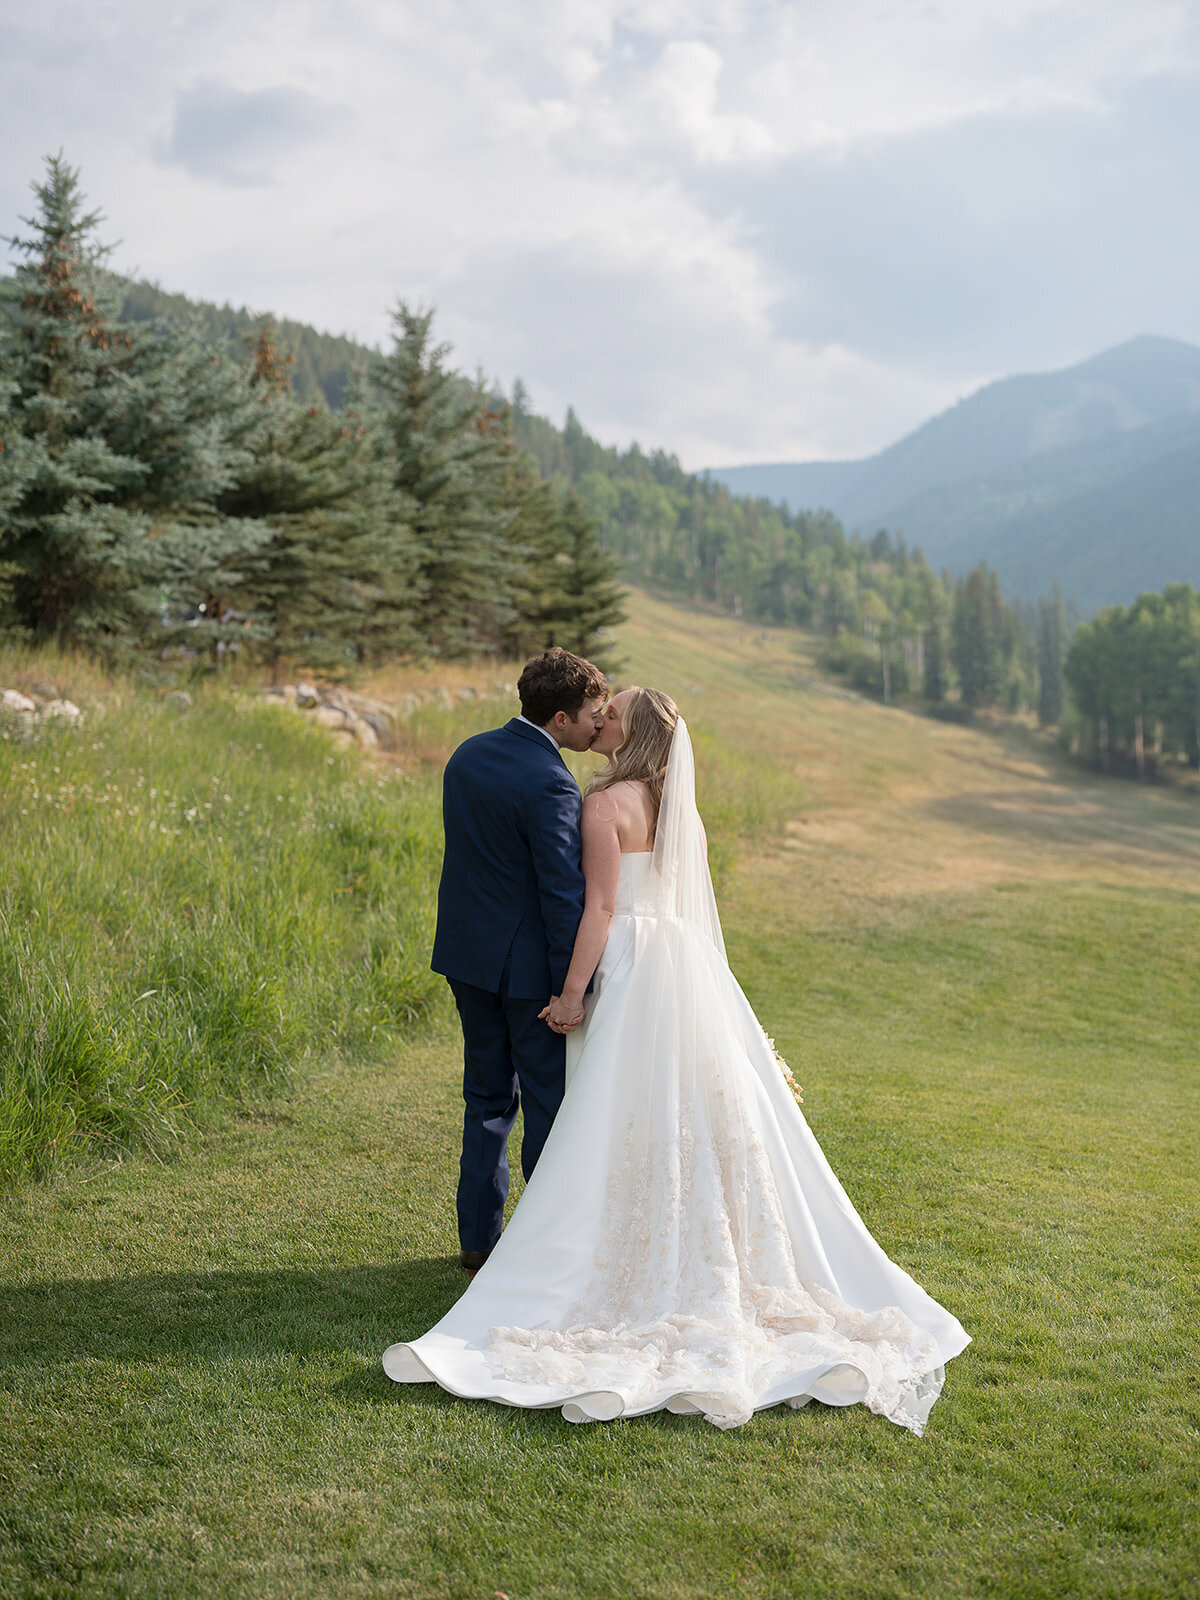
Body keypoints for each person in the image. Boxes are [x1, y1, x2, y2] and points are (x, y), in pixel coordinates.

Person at [387, 688, 970, 1432]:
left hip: (632, 967)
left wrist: (571, 993)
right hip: (685, 970)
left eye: (614, 710)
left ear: (628, 732)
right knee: (680, 1110)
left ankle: (585, 1240)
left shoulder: (606, 805)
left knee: (615, 1109)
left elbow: (598, 907)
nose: (601, 716)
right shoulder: (679, 811)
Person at [430, 646, 607, 1274]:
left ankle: (478, 1243)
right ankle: (546, 1247)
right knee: (547, 1103)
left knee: (485, 1098)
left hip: (464, 955)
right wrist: (573, 985)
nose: (598, 722)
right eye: (591, 712)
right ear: (559, 718)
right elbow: (561, 893)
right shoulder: (551, 780)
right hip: (528, 972)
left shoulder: (468, 754)